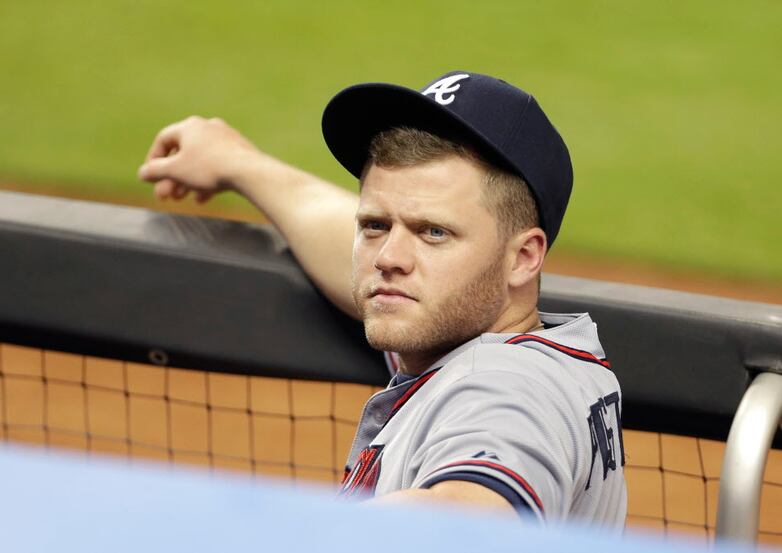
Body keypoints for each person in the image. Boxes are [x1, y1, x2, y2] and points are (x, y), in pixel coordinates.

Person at [138, 71, 627, 528]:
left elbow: (466, 519)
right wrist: (238, 163)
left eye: (433, 232)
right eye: (375, 225)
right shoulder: (487, 333)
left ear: (522, 258)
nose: (389, 258)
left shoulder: (507, 391)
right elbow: (339, 232)